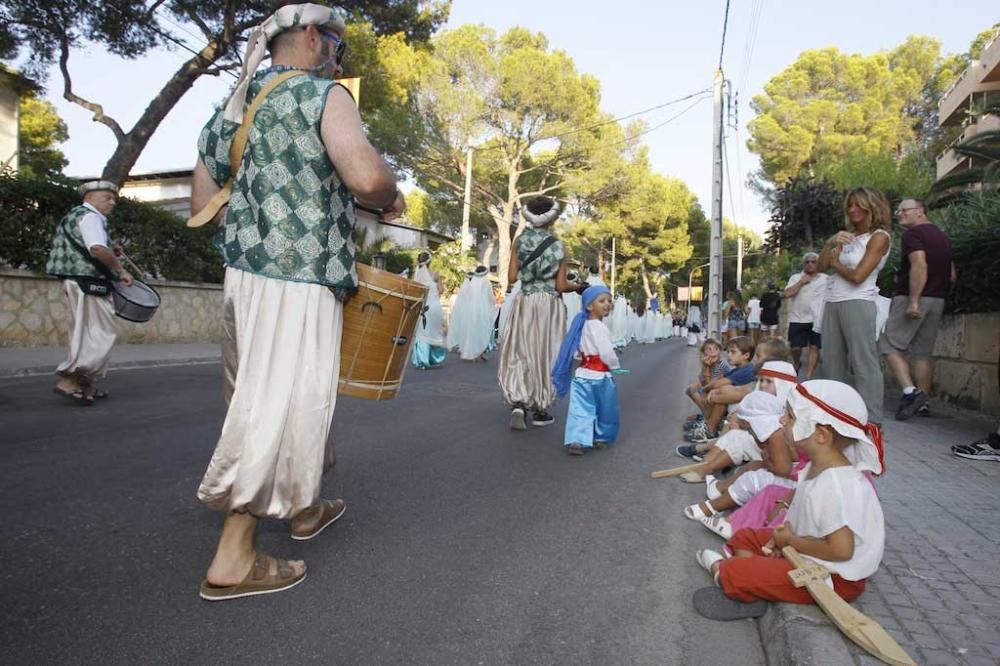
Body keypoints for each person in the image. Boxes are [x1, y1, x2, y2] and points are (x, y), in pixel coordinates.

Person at [190, 3, 406, 601]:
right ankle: (233, 557)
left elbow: (202, 200)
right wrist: (389, 194)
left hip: (244, 277)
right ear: (313, 38)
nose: (338, 57)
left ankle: (304, 504)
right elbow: (366, 178)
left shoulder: (229, 110)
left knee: (267, 395)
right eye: (336, 45)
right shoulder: (322, 95)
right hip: (300, 274)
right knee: (277, 403)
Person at [692, 380, 885, 621]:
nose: (783, 421)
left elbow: (841, 550)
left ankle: (731, 576)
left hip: (834, 576)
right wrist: (786, 541)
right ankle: (762, 580)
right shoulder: (819, 467)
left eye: (791, 416)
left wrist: (790, 542)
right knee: (744, 537)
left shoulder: (836, 485)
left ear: (821, 435)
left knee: (737, 572)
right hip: (809, 550)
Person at [498, 196, 584, 429]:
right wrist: (579, 288)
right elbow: (562, 286)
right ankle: (540, 409)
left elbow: (512, 278)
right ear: (552, 217)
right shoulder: (557, 245)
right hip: (549, 305)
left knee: (521, 350)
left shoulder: (520, 242)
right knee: (547, 353)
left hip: (525, 301)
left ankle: (518, 402)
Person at [46, 180, 134, 405]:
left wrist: (109, 248)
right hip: (89, 282)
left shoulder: (75, 216)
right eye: (108, 197)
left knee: (84, 332)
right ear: (90, 198)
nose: (112, 202)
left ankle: (85, 385)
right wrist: (120, 269)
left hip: (76, 280)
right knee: (100, 332)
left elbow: (89, 245)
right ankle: (70, 381)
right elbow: (96, 249)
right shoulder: (91, 216)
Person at [818, 186, 892, 428]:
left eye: (858, 204)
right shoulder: (846, 236)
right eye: (849, 205)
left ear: (872, 205)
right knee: (831, 363)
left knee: (864, 363)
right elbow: (820, 267)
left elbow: (859, 275)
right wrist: (830, 243)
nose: (852, 209)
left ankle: (872, 421)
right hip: (832, 303)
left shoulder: (879, 237)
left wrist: (835, 263)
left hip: (859, 302)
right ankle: (834, 416)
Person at [880, 198, 955, 420]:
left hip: (915, 297)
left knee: (889, 345)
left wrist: (913, 300)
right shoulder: (942, 236)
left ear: (920, 211)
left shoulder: (912, 235)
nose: (900, 214)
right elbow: (951, 274)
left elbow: (919, 264)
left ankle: (910, 393)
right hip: (937, 298)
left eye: (905, 210)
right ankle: (923, 403)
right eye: (898, 210)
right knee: (922, 352)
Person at [552, 285, 622, 455]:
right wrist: (615, 365)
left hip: (582, 375)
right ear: (589, 306)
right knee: (605, 408)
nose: (607, 304)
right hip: (600, 376)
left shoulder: (581, 326)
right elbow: (606, 352)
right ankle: (601, 437)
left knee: (581, 408)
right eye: (602, 301)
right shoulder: (599, 327)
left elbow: (577, 350)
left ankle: (577, 439)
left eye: (609, 301)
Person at [684, 336, 757, 443]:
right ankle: (707, 422)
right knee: (711, 392)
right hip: (736, 402)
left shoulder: (747, 370)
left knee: (720, 397)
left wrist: (708, 388)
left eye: (733, 352)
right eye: (728, 352)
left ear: (746, 355)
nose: (729, 355)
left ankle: (710, 429)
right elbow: (715, 382)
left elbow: (718, 383)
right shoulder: (737, 369)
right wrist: (708, 381)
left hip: (744, 406)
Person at [784, 253, 827, 379]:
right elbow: (787, 294)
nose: (810, 264)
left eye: (813, 262)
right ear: (804, 264)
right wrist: (801, 282)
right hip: (797, 319)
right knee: (795, 348)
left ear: (818, 264)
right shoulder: (796, 277)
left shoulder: (825, 278)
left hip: (816, 319)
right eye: (807, 262)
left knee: (814, 347)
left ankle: (808, 377)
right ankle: (797, 362)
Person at [447, 266, 497, 361]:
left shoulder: (472, 282)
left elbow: (467, 297)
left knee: (472, 331)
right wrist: (493, 306)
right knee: (481, 331)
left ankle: (471, 352)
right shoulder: (486, 282)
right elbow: (490, 297)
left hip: (470, 311)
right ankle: (480, 352)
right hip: (483, 310)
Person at [411, 251, 447, 370]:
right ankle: (435, 359)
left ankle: (422, 360)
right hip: (435, 307)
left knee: (423, 333)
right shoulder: (435, 274)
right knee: (434, 332)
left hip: (424, 308)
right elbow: (441, 291)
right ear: (430, 261)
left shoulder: (416, 276)